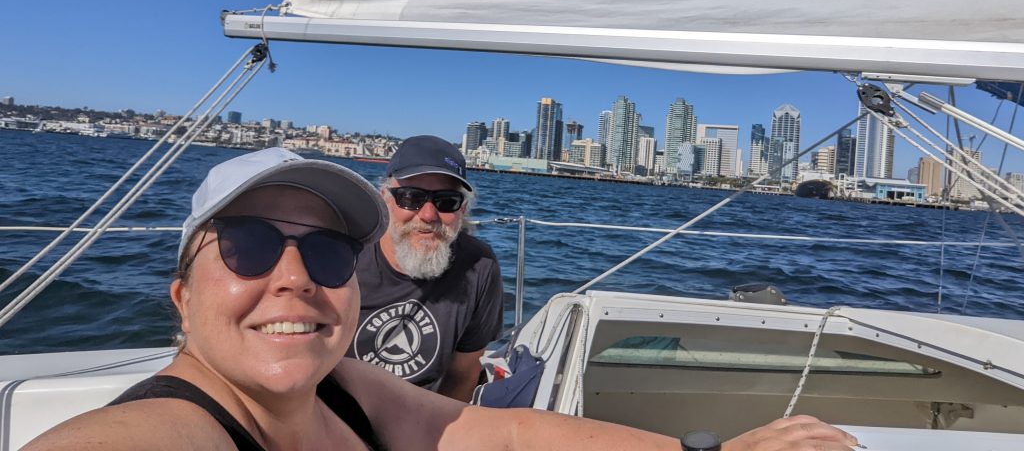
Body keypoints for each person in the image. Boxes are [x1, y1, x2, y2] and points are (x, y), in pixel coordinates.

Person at [24, 147, 860, 451]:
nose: (293, 276)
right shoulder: (165, 429)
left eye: (323, 249)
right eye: (246, 245)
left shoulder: (341, 392)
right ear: (181, 293)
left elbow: (497, 428)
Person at [348, 135, 502, 403]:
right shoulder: (348, 257)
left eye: (446, 201)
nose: (429, 215)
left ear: (463, 209)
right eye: (410, 197)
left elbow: (463, 374)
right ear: (385, 199)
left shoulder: (480, 266)